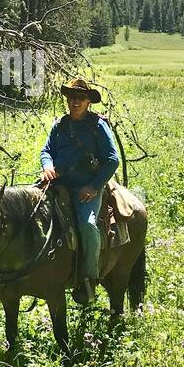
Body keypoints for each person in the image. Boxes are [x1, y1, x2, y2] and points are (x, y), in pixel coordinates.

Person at [39, 77, 119, 304]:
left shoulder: (97, 126)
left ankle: (90, 278)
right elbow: (47, 151)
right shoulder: (60, 125)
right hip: (59, 185)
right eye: (72, 97)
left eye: (81, 98)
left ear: (88, 102)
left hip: (87, 188)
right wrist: (47, 166)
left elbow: (112, 160)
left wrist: (94, 187)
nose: (75, 101)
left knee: (87, 225)